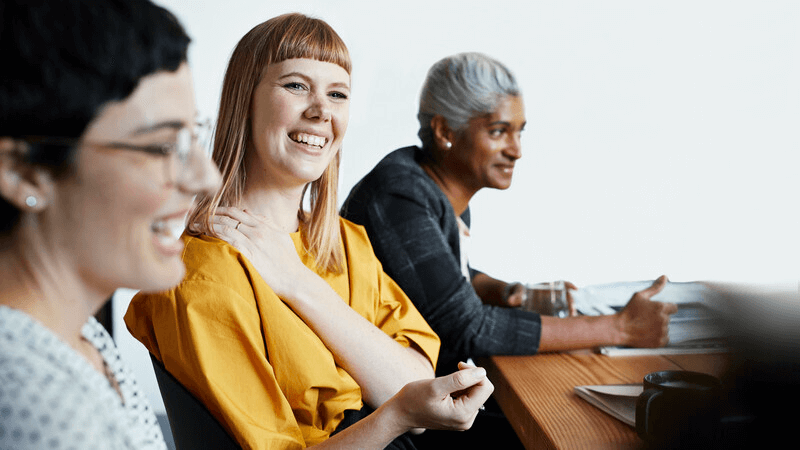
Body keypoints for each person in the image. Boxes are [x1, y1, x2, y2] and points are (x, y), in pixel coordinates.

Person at [124, 14, 493, 450]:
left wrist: (298, 284)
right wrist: (395, 413)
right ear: (246, 99)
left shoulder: (346, 242)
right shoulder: (199, 275)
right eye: (296, 86)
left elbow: (415, 383)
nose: (321, 112)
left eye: (337, 94)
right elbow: (408, 409)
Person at [341, 53, 678, 446]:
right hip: (393, 423)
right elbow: (467, 328)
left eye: (519, 131)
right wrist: (620, 327)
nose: (516, 150)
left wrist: (504, 290)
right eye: (499, 131)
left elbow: (447, 278)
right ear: (445, 130)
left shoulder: (432, 188)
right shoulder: (400, 195)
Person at [0, 1, 223, 448]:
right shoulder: (33, 397)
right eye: (161, 147)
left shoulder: (83, 336)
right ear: (24, 172)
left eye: (191, 137)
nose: (206, 178)